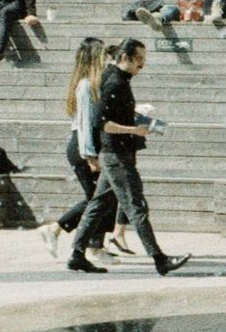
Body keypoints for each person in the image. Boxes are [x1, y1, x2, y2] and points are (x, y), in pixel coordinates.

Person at [70, 39, 190, 276]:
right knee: (136, 206)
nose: (142, 66)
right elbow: (103, 124)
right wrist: (135, 130)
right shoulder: (114, 82)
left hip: (117, 153)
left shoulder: (119, 80)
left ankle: (76, 255)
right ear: (125, 58)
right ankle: (159, 259)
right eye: (139, 60)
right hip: (117, 155)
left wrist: (137, 118)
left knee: (98, 204)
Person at [36, 38, 135, 264]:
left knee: (102, 199)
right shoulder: (86, 86)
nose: (109, 61)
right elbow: (83, 124)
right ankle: (79, 240)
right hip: (83, 147)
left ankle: (66, 234)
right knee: (99, 200)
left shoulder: (96, 83)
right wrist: (90, 155)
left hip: (90, 145)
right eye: (104, 57)